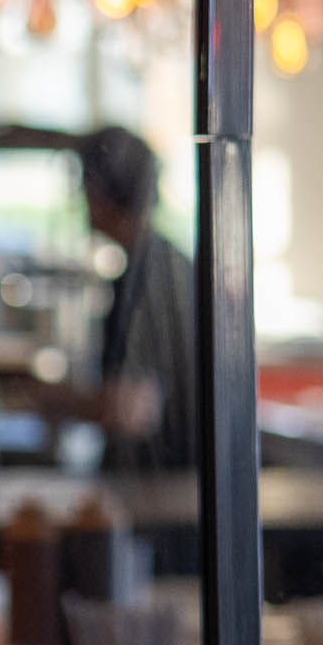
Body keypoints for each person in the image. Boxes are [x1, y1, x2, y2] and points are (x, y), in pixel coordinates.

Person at [68, 127, 198, 475]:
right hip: (168, 487)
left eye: (84, 183)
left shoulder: (152, 274)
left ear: (100, 190)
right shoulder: (163, 262)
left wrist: (44, 399)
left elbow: (131, 408)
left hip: (163, 492)